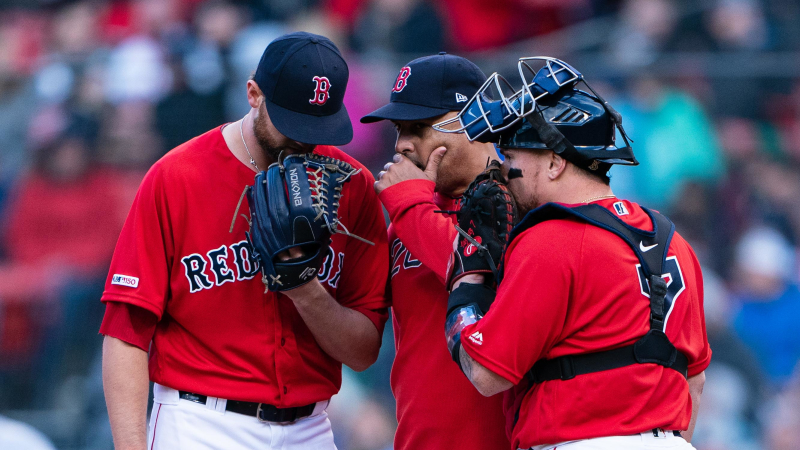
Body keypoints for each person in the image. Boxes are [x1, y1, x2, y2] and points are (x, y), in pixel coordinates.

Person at [99, 32, 389, 450]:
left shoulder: (353, 187)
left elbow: (362, 353)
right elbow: (126, 333)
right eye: (291, 122)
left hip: (311, 426)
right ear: (253, 94)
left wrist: (306, 291)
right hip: (201, 423)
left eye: (316, 126)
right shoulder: (177, 178)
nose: (305, 140)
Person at [443, 58, 711, 450]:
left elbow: (485, 373)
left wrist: (466, 287)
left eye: (512, 158)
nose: (503, 171)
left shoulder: (550, 239)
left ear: (554, 163)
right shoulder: (675, 241)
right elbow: (695, 380)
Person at [363, 53, 509, 450]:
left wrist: (410, 206)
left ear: (472, 120)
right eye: (398, 129)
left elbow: (481, 274)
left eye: (418, 128)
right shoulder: (406, 215)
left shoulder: (516, 200)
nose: (401, 145)